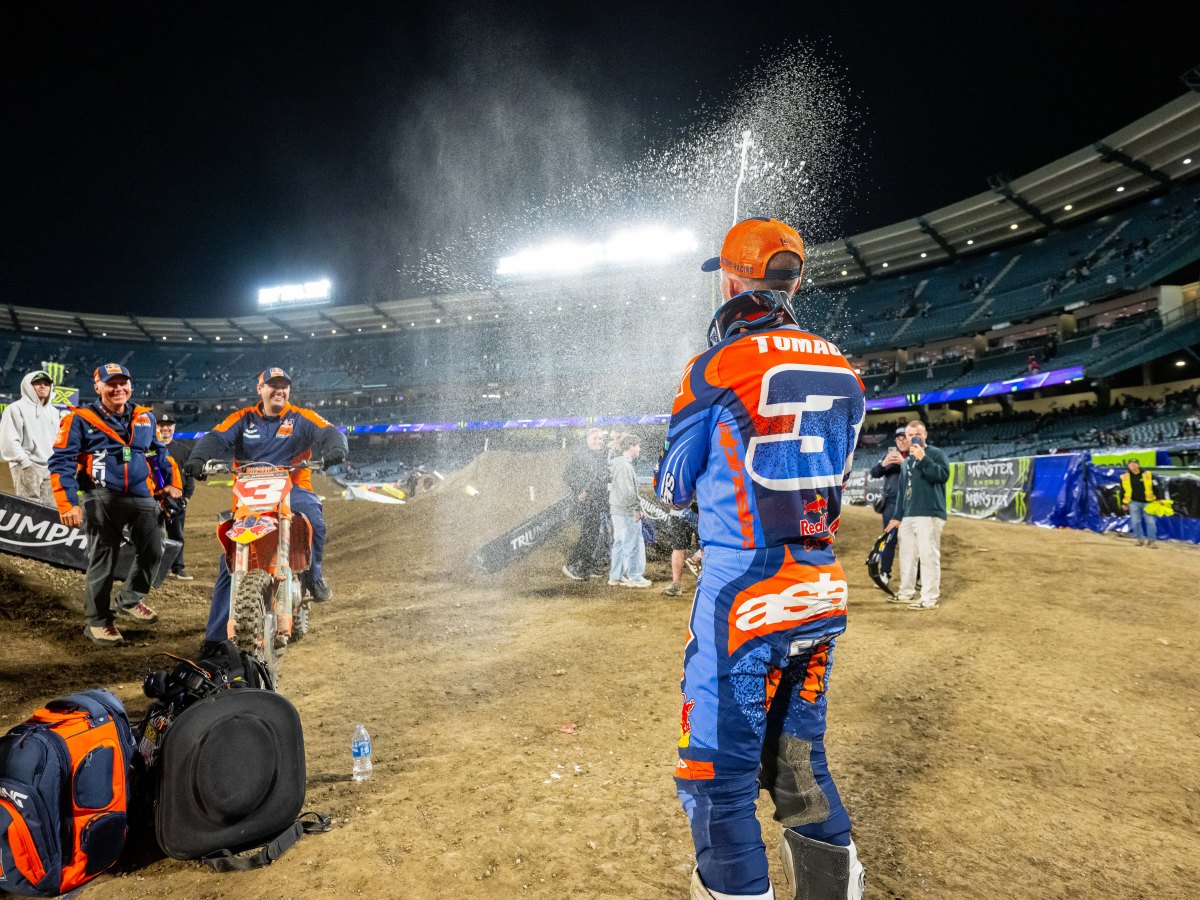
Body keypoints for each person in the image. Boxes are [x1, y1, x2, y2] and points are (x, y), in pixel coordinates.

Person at [656, 217, 867, 899]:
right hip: (821, 585)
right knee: (801, 768)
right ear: (794, 278)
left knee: (717, 783)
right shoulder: (843, 367)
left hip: (744, 592)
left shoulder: (713, 368)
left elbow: (672, 489)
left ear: (730, 277)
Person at [185, 367, 348, 653]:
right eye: (272, 386)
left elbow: (330, 432)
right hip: (250, 494)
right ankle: (214, 639)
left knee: (314, 521)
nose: (279, 391)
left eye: (284, 386)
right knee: (231, 560)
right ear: (260, 389)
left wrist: (336, 448)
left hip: (293, 487)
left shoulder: (300, 418)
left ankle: (315, 576)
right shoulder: (242, 418)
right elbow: (216, 438)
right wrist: (198, 457)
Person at [48, 363, 182, 646]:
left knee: (155, 547)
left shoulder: (144, 417)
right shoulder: (80, 418)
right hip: (101, 494)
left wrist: (172, 483)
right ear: (97, 387)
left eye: (123, 383)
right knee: (103, 557)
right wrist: (68, 504)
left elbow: (159, 453)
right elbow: (61, 462)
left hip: (142, 494)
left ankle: (130, 599)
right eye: (111, 383)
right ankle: (97, 621)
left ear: (131, 386)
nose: (118, 388)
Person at [885, 420, 950, 610]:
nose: (914, 437)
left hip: (929, 513)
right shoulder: (907, 462)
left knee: (928, 555)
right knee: (907, 555)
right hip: (908, 514)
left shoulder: (936, 454)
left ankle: (929, 598)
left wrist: (924, 458)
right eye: (910, 434)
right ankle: (906, 592)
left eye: (918, 434)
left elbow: (942, 476)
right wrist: (897, 516)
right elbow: (902, 490)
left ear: (925, 435)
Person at [0, 369, 61, 504]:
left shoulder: (54, 412)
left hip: (50, 467)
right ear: (28, 386)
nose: (42, 386)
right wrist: (24, 461)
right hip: (27, 465)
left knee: (51, 508)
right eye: (37, 383)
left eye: (46, 383)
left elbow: (57, 439)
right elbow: (9, 439)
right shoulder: (15, 408)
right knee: (29, 508)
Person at [562, 428, 610, 581]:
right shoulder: (580, 455)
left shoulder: (599, 456)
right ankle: (570, 564)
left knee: (593, 536)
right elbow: (567, 475)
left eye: (601, 439)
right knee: (587, 536)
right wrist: (579, 490)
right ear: (587, 439)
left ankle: (586, 567)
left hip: (596, 502)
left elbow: (601, 477)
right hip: (586, 504)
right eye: (595, 438)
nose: (598, 441)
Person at [607, 433, 650, 588]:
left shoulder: (619, 464)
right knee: (633, 543)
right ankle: (635, 576)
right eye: (637, 446)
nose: (639, 449)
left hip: (617, 510)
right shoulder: (625, 466)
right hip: (626, 512)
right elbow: (628, 492)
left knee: (619, 543)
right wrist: (636, 509)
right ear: (631, 446)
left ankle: (616, 576)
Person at [157, 413, 195, 580]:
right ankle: (153, 567)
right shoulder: (150, 448)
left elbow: (190, 475)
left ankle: (177, 567)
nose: (165, 428)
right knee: (152, 533)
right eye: (162, 424)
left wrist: (187, 496)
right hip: (154, 498)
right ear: (157, 427)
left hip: (176, 500)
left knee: (176, 534)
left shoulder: (183, 450)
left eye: (169, 424)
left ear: (173, 427)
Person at [868, 426, 909, 585]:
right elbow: (874, 473)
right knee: (889, 540)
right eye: (899, 438)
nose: (902, 440)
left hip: (910, 504)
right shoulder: (889, 456)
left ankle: (916, 575)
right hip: (891, 504)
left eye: (904, 437)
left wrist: (904, 462)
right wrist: (883, 463)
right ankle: (885, 572)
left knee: (911, 542)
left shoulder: (915, 455)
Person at [661, 503, 699, 596]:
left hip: (678, 510)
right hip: (699, 512)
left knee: (678, 548)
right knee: (707, 544)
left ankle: (676, 586)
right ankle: (696, 558)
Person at [1120, 458, 1157, 547]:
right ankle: (1140, 539)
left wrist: (1159, 498)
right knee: (1135, 522)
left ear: (1138, 465)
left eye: (1134, 463)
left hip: (1148, 502)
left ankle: (1152, 541)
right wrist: (1123, 503)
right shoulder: (1124, 477)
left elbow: (1156, 487)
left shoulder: (1148, 474)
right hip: (1133, 502)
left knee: (1150, 522)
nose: (1132, 465)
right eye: (1130, 464)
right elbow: (1122, 491)